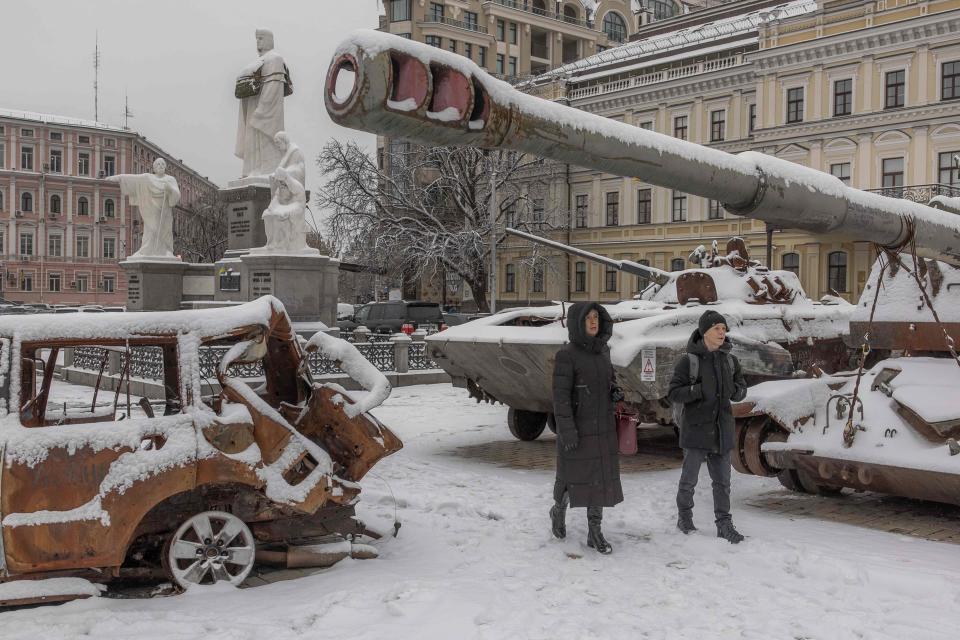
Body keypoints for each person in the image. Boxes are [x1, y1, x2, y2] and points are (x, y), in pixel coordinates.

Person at [668, 309, 748, 544]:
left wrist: (737, 391)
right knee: (689, 480)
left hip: (722, 430)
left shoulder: (730, 361)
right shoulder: (689, 361)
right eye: (717, 329)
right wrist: (696, 391)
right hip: (696, 430)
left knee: (723, 482)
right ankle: (684, 517)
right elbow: (673, 392)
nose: (722, 333)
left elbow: (741, 388)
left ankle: (724, 524)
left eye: (724, 329)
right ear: (705, 332)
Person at [550, 302, 624, 554]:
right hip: (578, 430)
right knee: (572, 480)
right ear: (577, 322)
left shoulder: (603, 352)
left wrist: (615, 391)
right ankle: (558, 511)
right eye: (588, 318)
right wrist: (567, 431)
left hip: (603, 427)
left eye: (596, 317)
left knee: (599, 480)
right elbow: (560, 399)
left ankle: (595, 532)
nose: (593, 322)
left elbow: (609, 381)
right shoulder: (566, 355)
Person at [235, 29, 293, 178]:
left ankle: (266, 171)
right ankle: (253, 171)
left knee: (267, 143)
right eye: (256, 39)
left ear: (268, 40)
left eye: (261, 38)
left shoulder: (275, 59)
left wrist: (262, 111)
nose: (258, 42)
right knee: (252, 145)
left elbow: (273, 88)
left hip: (265, 112)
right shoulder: (260, 61)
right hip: (254, 108)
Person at [107, 158, 180, 259]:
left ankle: (166, 250)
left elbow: (177, 195)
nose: (161, 166)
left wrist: (170, 188)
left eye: (163, 164)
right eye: (158, 164)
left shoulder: (170, 179)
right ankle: (147, 250)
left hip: (165, 210)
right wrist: (119, 178)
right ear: (154, 167)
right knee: (150, 230)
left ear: (165, 167)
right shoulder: (148, 178)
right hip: (151, 209)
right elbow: (133, 179)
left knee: (165, 231)